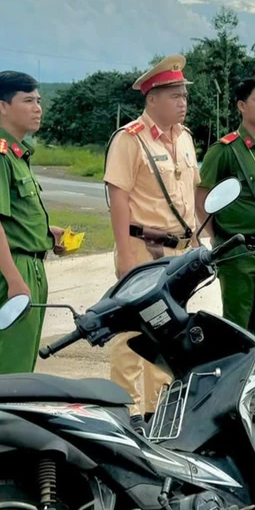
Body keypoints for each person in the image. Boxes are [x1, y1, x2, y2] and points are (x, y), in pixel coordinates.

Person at [103, 54, 199, 432]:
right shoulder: (129, 140)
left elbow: (191, 195)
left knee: (170, 332)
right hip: (143, 250)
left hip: (180, 253)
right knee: (131, 332)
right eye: (174, 94)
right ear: (152, 98)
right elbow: (119, 199)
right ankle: (126, 412)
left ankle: (160, 411)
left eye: (184, 95)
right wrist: (125, 259)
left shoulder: (187, 138)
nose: (183, 102)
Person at [196, 76, 255, 417]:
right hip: (238, 251)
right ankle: (232, 396)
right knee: (237, 327)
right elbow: (203, 195)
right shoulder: (224, 150)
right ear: (241, 105)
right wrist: (211, 240)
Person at [0, 71, 66, 376]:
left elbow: (12, 217)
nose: (37, 108)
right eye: (27, 100)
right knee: (7, 368)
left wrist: (44, 233)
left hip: (30, 265)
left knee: (22, 365)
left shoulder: (16, 154)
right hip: (11, 268)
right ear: (3, 106)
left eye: (38, 100)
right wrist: (13, 279)